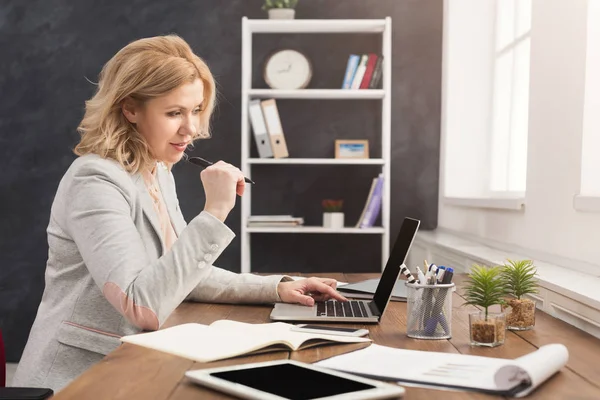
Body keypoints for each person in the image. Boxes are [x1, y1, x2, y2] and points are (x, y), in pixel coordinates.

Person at [12, 34, 347, 392]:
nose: (192, 129)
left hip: (136, 365)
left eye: (196, 110)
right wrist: (214, 211)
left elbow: (181, 274)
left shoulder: (156, 171)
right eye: (174, 113)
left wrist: (278, 288)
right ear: (130, 109)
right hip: (78, 380)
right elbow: (142, 304)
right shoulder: (95, 179)